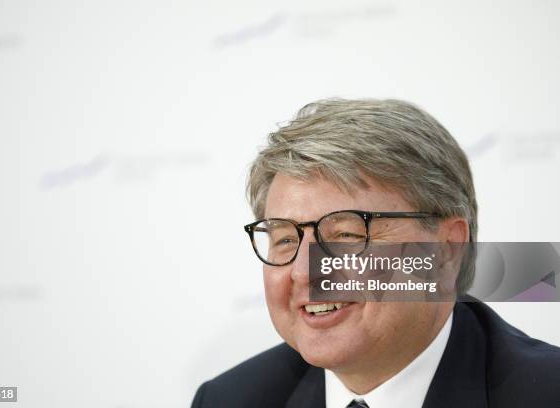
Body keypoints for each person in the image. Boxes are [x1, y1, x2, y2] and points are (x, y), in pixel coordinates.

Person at [191, 98, 560, 408]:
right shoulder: (229, 400)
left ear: (448, 249)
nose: (304, 273)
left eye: (347, 234)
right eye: (285, 239)